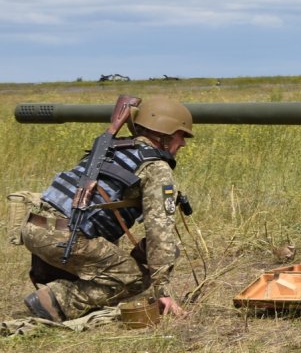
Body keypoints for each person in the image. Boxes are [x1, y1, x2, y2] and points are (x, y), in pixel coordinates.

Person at [19, 95, 194, 322]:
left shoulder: (114, 147)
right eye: (181, 135)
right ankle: (56, 300)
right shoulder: (156, 167)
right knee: (134, 277)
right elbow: (159, 233)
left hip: (33, 227)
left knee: (108, 256)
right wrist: (162, 292)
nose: (183, 143)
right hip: (66, 237)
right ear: (165, 134)